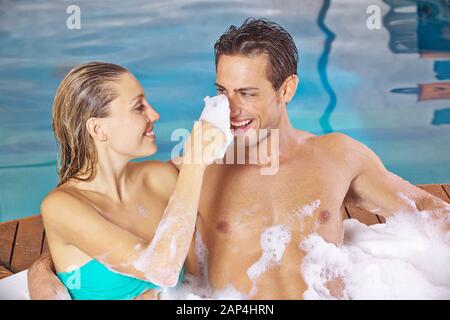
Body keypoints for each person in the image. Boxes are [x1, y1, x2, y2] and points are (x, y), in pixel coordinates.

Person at [29, 19, 449, 300]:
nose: (230, 109)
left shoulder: (338, 155)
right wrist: (42, 272)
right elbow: (100, 234)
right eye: (222, 91)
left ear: (286, 90)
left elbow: (426, 210)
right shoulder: (192, 169)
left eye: (247, 94)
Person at [28, 61, 225, 300]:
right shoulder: (61, 206)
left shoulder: (158, 177)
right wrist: (194, 164)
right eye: (138, 107)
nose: (154, 114)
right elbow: (162, 271)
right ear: (98, 129)